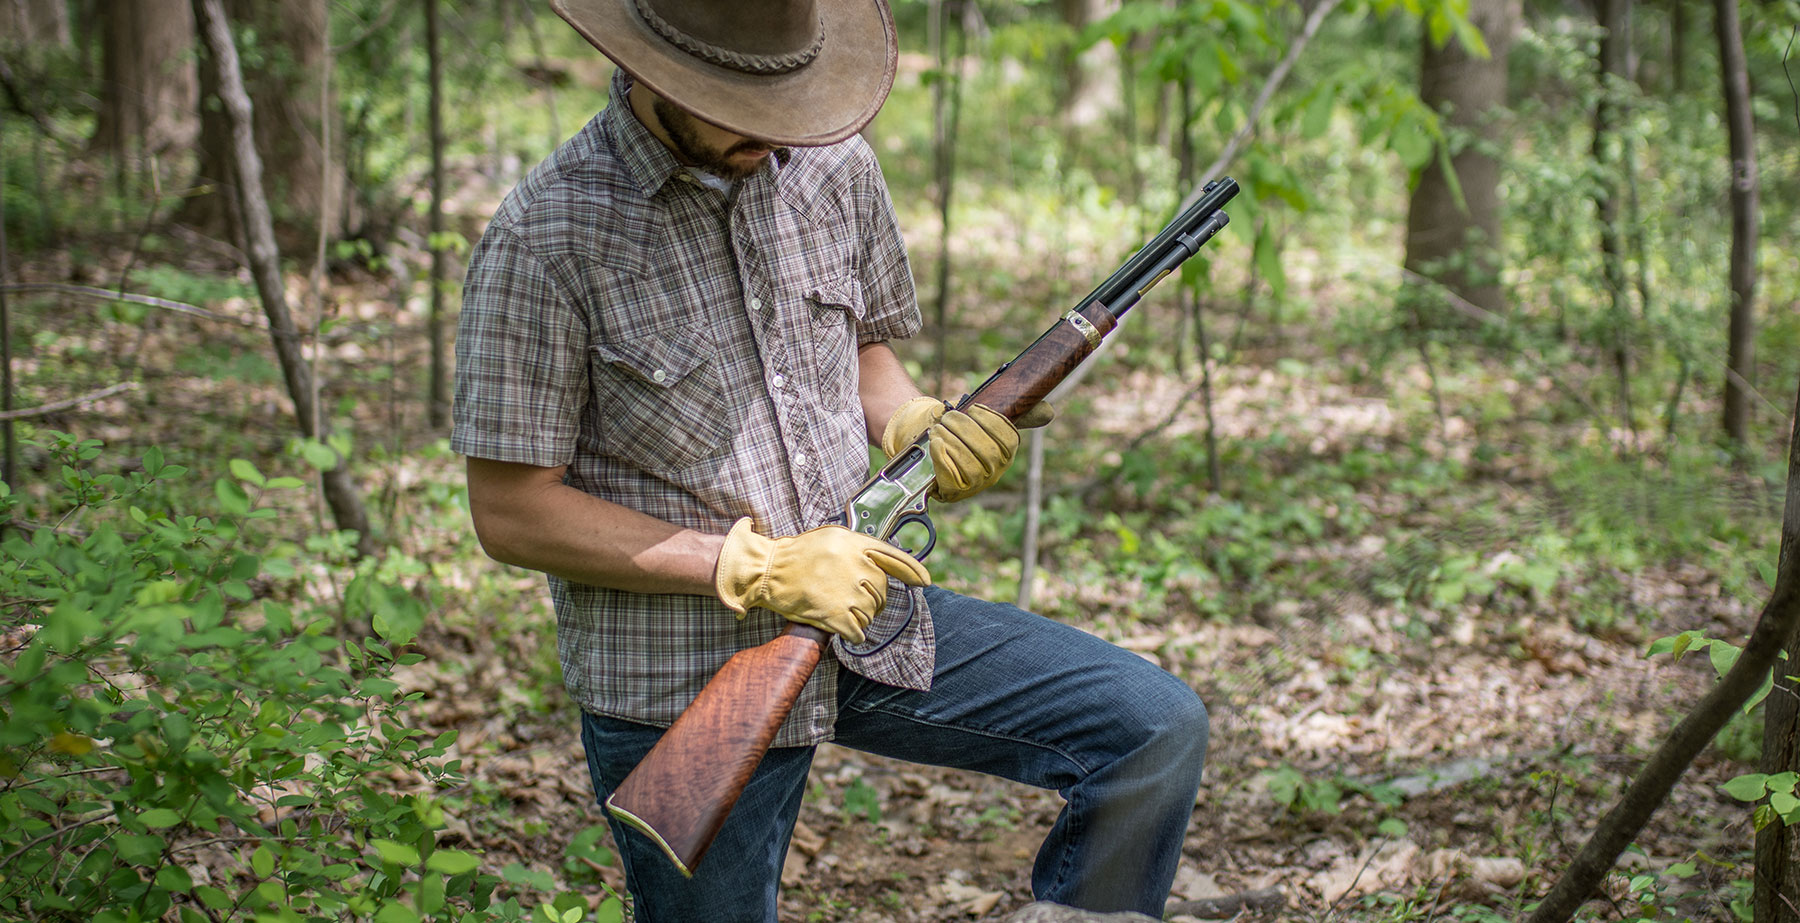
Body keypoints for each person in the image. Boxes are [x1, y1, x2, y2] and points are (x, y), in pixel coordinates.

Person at [451, 0, 1209, 919]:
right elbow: (512, 509)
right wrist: (752, 566)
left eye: (789, 102)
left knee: (1150, 730)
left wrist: (914, 426)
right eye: (743, 104)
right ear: (656, 72)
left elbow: (865, 353)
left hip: (867, 622)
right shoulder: (545, 236)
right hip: (677, 679)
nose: (777, 134)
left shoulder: (831, 161)